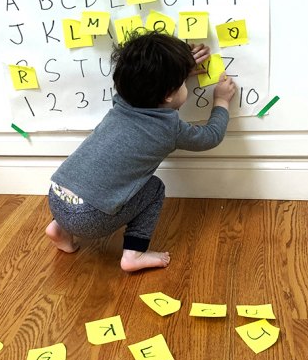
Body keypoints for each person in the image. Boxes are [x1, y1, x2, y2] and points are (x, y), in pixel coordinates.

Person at [45, 30, 237, 272]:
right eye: (180, 83)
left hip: (56, 197)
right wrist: (221, 101)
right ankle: (134, 254)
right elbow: (210, 137)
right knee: (154, 188)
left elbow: (147, 81)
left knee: (91, 181)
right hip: (90, 219)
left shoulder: (122, 99)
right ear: (168, 94)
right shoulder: (169, 128)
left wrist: (178, 69)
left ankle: (58, 230)